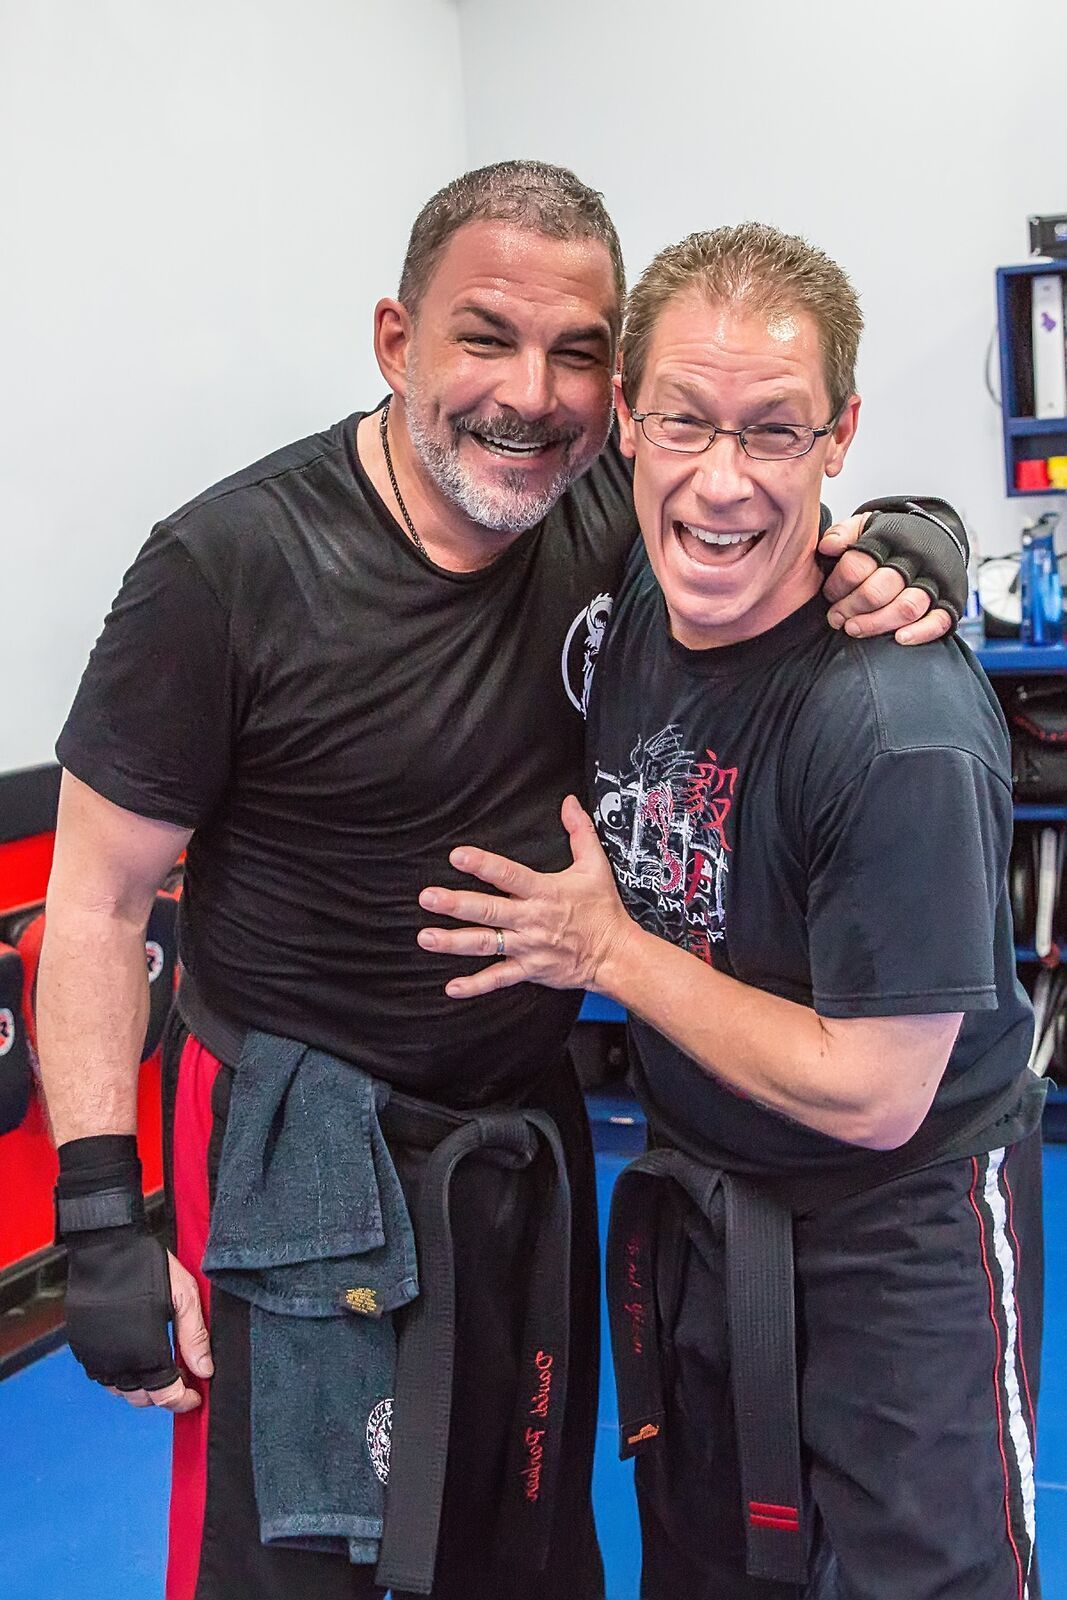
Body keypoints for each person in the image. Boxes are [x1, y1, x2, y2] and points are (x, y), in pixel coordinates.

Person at [38, 164, 968, 1600]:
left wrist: (910, 539)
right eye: (485, 337)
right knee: (297, 1571)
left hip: (518, 1139)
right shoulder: (225, 567)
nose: (530, 396)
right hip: (298, 1146)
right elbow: (97, 905)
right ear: (395, 340)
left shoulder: (604, 512)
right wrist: (102, 1210)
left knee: (518, 1554)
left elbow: (753, 496)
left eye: (576, 353)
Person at [416, 221, 1042, 1600]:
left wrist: (606, 950)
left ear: (840, 435)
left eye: (774, 431)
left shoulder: (895, 728)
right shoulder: (632, 593)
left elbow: (874, 1091)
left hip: (900, 1236)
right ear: (626, 423)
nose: (722, 479)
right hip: (702, 1206)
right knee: (701, 1573)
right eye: (686, 421)